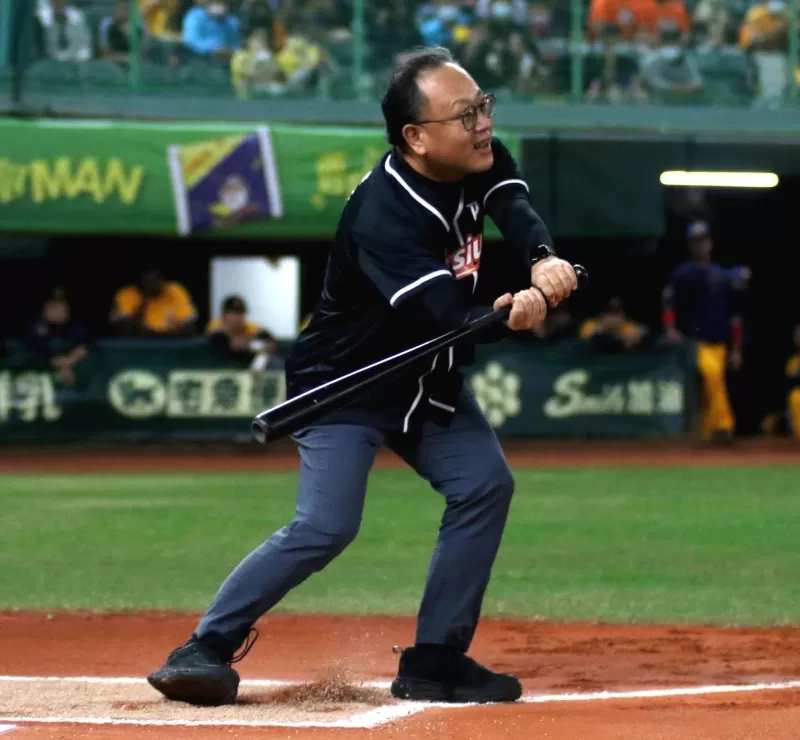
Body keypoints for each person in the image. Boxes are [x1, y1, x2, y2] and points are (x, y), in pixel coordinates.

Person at [147, 45, 578, 708]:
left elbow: (513, 208)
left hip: (424, 378)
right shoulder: (384, 213)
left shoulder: (478, 157)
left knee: (484, 485)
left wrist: (542, 259)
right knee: (326, 526)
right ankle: (205, 645)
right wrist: (511, 310)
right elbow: (445, 315)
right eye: (465, 115)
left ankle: (435, 660)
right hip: (347, 380)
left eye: (483, 107)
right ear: (416, 137)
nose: (483, 124)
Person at [662, 221, 748, 442]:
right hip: (696, 341)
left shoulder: (722, 275)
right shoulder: (684, 274)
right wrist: (670, 328)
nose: (700, 245)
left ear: (710, 243)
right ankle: (724, 425)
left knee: (713, 386)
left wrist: (737, 349)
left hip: (720, 342)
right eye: (695, 242)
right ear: (690, 245)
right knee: (712, 377)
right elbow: (669, 303)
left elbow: (735, 316)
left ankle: (710, 434)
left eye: (703, 240)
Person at [110, 266, 199, 337]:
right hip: (137, 349)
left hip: (172, 348)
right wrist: (144, 301)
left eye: (155, 277)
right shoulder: (126, 294)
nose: (152, 283)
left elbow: (190, 328)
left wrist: (157, 335)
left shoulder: (174, 290)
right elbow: (126, 331)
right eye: (147, 280)